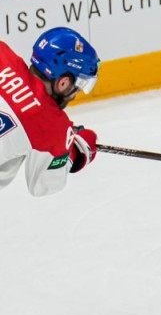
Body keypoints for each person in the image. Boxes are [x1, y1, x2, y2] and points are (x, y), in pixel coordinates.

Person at [0, 27, 100, 196]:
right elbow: (44, 185)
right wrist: (76, 153)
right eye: (80, 84)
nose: (77, 93)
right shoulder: (52, 128)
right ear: (63, 82)